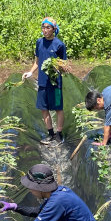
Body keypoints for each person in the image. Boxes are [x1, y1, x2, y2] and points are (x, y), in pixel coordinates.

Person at [22, 17, 68, 145]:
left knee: (58, 108)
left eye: (48, 27)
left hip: (55, 83)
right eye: (43, 27)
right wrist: (31, 72)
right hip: (42, 82)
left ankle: (59, 134)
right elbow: (37, 61)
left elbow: (64, 65)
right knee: (44, 108)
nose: (45, 30)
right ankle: (50, 133)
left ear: (54, 29)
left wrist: (56, 66)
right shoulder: (39, 42)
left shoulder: (59, 45)